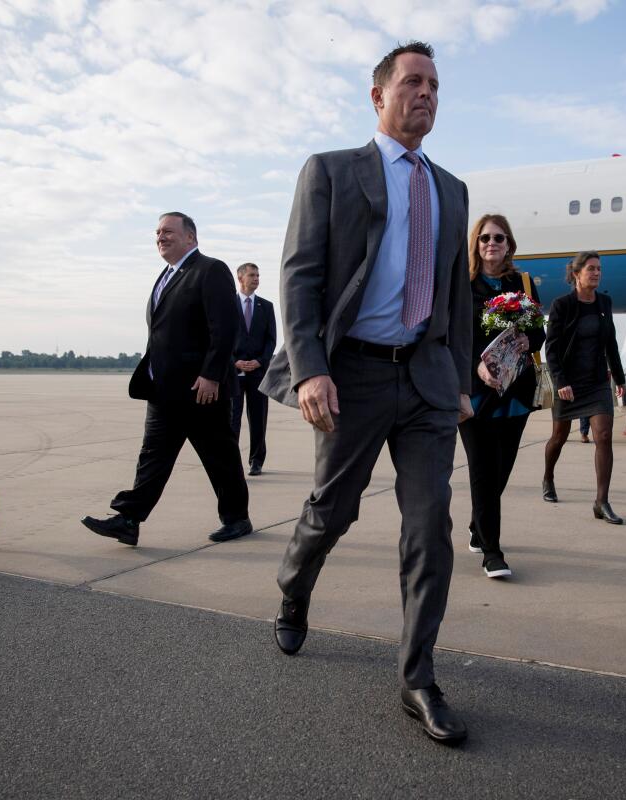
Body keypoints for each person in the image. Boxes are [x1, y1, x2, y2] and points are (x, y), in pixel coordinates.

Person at [259, 41, 472, 744]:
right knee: (333, 510)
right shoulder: (332, 172)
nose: (426, 94)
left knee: (429, 526)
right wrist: (310, 365)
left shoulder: (451, 188)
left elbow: (456, 295)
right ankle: (295, 587)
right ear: (377, 96)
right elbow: (299, 275)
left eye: (435, 85)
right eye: (412, 82)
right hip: (350, 373)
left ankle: (417, 677)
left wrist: (462, 379)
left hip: (426, 378)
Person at [81, 213, 252, 546]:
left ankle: (236, 519)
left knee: (219, 456)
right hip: (164, 390)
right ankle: (129, 519)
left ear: (191, 237)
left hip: (200, 389)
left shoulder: (210, 269)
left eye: (169, 231)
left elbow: (226, 328)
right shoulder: (166, 275)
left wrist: (211, 374)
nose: (161, 237)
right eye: (158, 232)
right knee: (152, 456)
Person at [459, 214, 544, 579]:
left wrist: (529, 340)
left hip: (515, 392)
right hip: (476, 393)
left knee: (502, 470)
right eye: (484, 238)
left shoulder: (521, 283)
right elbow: (453, 338)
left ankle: (479, 527)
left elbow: (540, 332)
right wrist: (475, 367)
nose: (491, 243)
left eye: (499, 238)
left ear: (509, 244)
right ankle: (492, 552)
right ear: (476, 244)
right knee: (482, 471)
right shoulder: (463, 285)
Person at [541, 251, 626, 524]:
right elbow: (551, 348)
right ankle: (548, 476)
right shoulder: (562, 305)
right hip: (569, 382)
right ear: (576, 274)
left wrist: (620, 380)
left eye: (599, 268)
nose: (596, 273)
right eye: (591, 268)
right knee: (559, 436)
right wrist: (560, 381)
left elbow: (610, 343)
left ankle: (601, 502)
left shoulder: (604, 302)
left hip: (596, 382)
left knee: (603, 435)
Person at [230, 263, 276, 476]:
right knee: (232, 420)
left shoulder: (266, 306)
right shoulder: (226, 305)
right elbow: (218, 337)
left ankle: (256, 461)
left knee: (258, 419)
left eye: (258, 275)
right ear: (240, 278)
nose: (256, 278)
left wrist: (260, 361)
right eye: (252, 275)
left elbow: (271, 340)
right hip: (234, 373)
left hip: (258, 373)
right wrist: (234, 362)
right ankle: (231, 462)